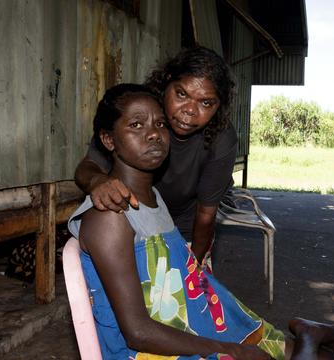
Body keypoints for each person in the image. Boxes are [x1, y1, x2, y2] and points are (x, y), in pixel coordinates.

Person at [68, 83, 334, 360]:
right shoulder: (110, 216)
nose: (154, 135)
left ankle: (308, 337)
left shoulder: (152, 197)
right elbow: (138, 332)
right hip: (144, 351)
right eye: (136, 125)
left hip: (179, 327)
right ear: (108, 140)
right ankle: (307, 336)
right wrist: (231, 349)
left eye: (160, 124)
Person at [74, 46, 238, 266]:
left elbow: (206, 216)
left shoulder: (221, 138)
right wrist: (98, 181)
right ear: (166, 83)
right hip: (132, 223)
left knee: (193, 295)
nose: (189, 110)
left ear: (219, 107)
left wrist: (192, 268)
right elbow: (87, 166)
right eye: (181, 94)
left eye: (206, 102)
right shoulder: (139, 111)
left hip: (186, 232)